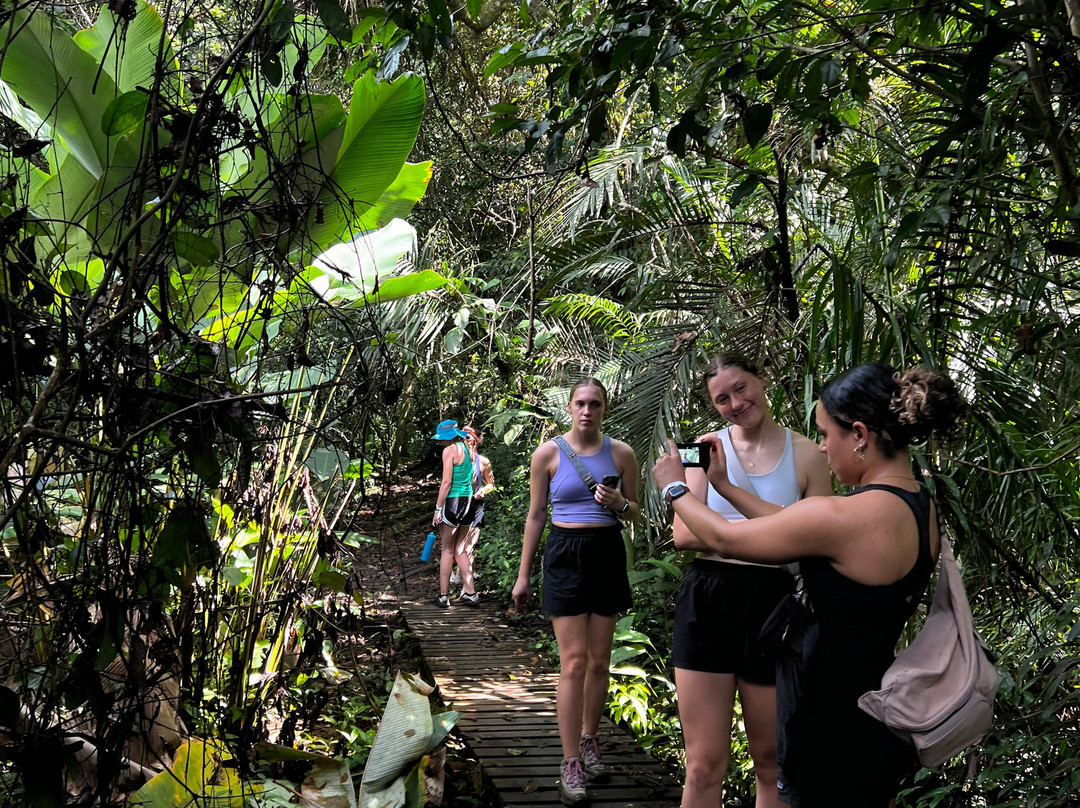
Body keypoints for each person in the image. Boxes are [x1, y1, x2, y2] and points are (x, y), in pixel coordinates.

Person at [652, 363, 966, 808]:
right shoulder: (921, 508)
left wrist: (674, 490)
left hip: (824, 717)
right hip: (875, 709)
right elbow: (791, 524)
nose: (822, 446)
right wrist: (722, 484)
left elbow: (724, 537)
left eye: (826, 433)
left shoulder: (841, 513)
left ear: (858, 434)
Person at [671, 354, 831, 808]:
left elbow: (817, 538)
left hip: (774, 608)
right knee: (702, 764)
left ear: (761, 380)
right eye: (722, 398)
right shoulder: (699, 447)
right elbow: (683, 533)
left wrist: (720, 533)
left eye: (741, 388)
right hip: (707, 599)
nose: (736, 403)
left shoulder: (807, 453)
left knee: (771, 761)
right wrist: (779, 535)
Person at [512, 378, 640, 806]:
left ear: (605, 408)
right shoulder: (547, 453)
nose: (587, 410)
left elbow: (636, 509)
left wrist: (618, 502)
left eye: (595, 404)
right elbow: (535, 516)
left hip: (605, 553)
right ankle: (570, 762)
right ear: (569, 407)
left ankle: (590, 740)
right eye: (580, 403)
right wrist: (523, 574)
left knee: (601, 661)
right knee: (574, 662)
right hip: (565, 553)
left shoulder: (621, 453)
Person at [431, 419, 480, 608]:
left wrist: (438, 508)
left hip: (452, 502)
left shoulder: (449, 451)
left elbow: (446, 482)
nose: (441, 442)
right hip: (468, 502)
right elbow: (473, 478)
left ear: (447, 438)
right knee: (460, 549)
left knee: (447, 550)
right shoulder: (469, 449)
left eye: (442, 439)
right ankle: (471, 592)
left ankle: (443, 596)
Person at [448, 426, 495, 604]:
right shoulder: (455, 457)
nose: (465, 441)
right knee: (454, 548)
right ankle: (463, 584)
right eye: (462, 437)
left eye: (468, 437)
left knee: (468, 548)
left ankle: (467, 590)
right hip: (457, 505)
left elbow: (491, 483)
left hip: (475, 506)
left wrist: (483, 490)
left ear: (475, 441)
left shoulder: (483, 461)